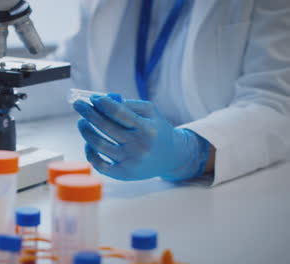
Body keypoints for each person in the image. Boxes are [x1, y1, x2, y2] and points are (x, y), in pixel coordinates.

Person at [15, 0, 290, 185]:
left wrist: (191, 150)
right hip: (135, 199)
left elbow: (275, 102)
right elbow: (76, 71)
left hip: (238, 190)